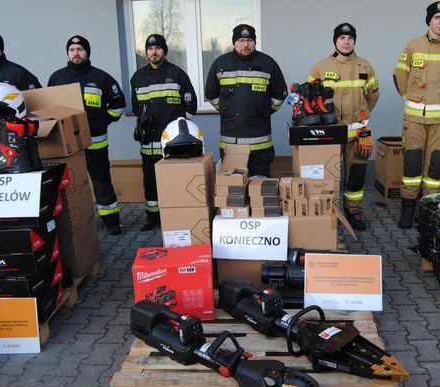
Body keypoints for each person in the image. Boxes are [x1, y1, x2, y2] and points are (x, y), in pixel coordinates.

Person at [393, 1, 440, 229]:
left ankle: (428, 209)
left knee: (437, 165)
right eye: (437, 18)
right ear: (429, 21)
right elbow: (399, 74)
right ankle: (408, 207)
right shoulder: (414, 45)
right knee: (412, 164)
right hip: (414, 117)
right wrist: (410, 96)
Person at [49, 35, 126, 235]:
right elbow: (50, 109)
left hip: (96, 143)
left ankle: (111, 222)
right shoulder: (57, 78)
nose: (76, 53)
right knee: (70, 185)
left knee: (101, 183)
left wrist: (102, 121)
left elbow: (119, 105)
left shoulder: (101, 78)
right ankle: (74, 222)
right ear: (68, 53)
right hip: (67, 145)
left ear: (87, 52)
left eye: (80, 49)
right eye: (72, 49)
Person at [308, 23, 379, 231]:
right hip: (331, 132)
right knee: (327, 175)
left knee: (356, 175)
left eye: (350, 38)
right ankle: (327, 211)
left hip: (358, 133)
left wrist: (362, 115)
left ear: (354, 41)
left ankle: (354, 211)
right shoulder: (320, 68)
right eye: (342, 38)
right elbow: (310, 99)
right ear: (335, 41)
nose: (346, 42)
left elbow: (373, 95)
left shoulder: (365, 67)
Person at [131, 34, 197, 231]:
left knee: (174, 181)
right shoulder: (138, 77)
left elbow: (191, 107)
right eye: (150, 48)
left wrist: (177, 126)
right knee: (150, 182)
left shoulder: (177, 74)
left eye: (158, 48)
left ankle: (176, 215)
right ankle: (153, 217)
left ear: (164, 50)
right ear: (147, 52)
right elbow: (135, 108)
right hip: (148, 143)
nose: (154, 52)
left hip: (173, 143)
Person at [205, 24, 287, 178]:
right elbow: (210, 93)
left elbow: (280, 93)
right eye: (241, 40)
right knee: (233, 187)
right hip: (231, 142)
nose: (245, 44)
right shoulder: (221, 64)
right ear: (234, 43)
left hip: (260, 143)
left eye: (249, 40)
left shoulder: (267, 63)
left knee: (260, 187)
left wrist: (264, 110)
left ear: (255, 42)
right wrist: (224, 109)